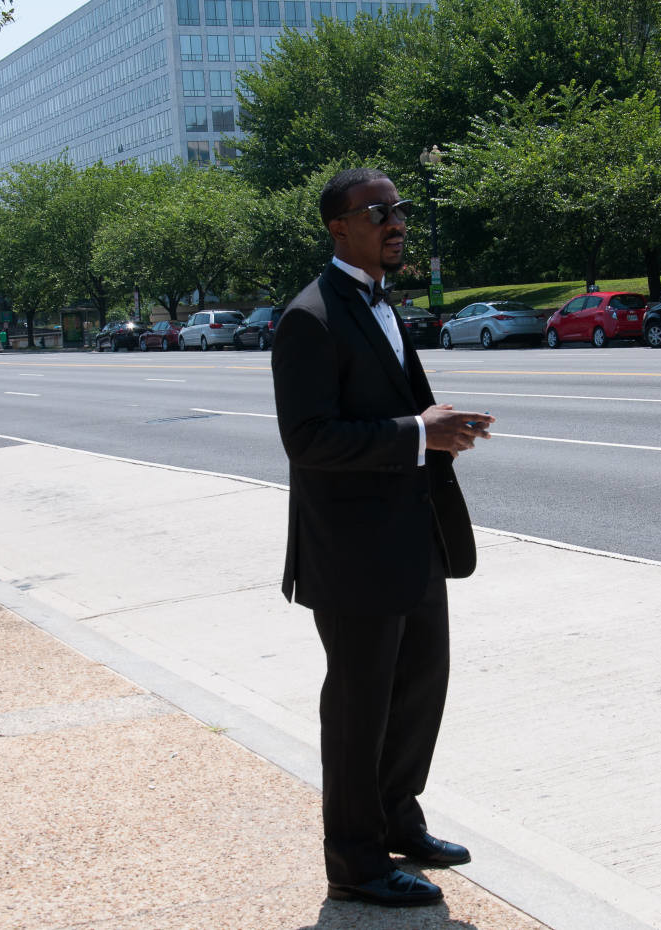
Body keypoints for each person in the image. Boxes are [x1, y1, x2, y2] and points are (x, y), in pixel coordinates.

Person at [271, 168, 495, 908]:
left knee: (420, 689)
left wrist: (439, 429)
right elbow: (306, 440)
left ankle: (401, 819)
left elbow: (394, 407)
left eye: (398, 210)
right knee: (359, 708)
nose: (396, 221)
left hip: (415, 534)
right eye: (378, 212)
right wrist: (413, 434)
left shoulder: (381, 303)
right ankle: (356, 862)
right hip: (354, 551)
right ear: (339, 227)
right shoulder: (309, 316)